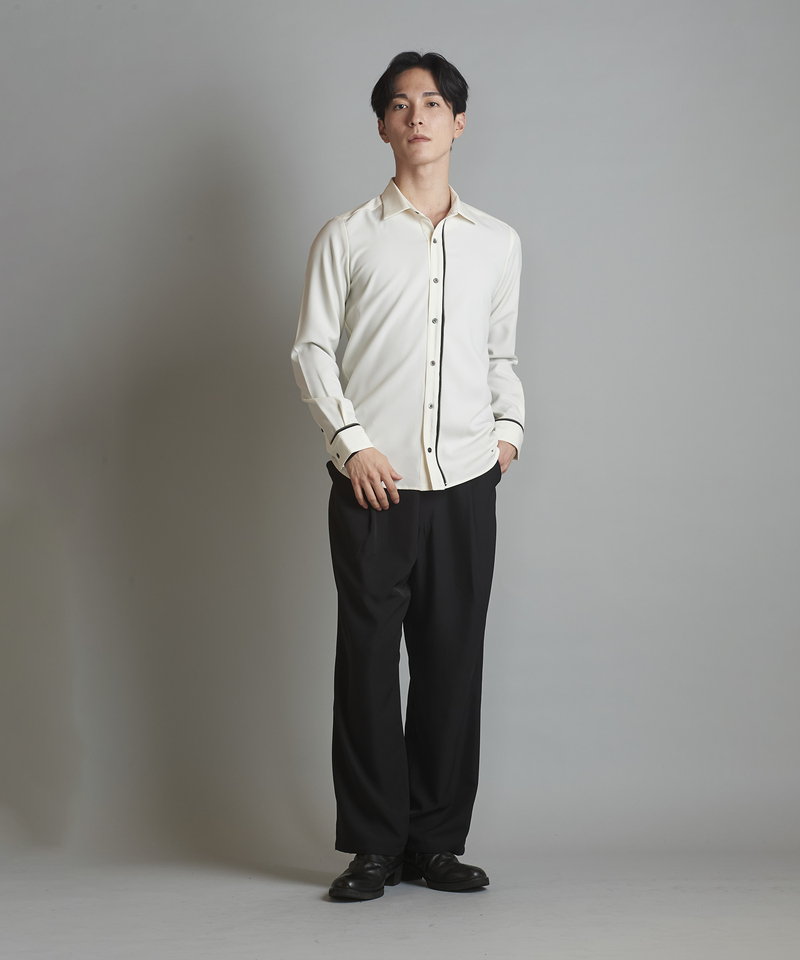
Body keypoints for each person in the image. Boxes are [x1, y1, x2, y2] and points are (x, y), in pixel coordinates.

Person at [290, 50, 525, 901]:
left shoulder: (498, 242)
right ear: (383, 126)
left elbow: (500, 355)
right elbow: (312, 348)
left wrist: (507, 434)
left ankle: (436, 842)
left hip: (465, 481)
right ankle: (373, 846)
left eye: (432, 103)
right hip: (372, 487)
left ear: (458, 121)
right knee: (365, 666)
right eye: (399, 104)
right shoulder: (347, 236)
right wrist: (351, 444)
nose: (416, 115)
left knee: (452, 663)